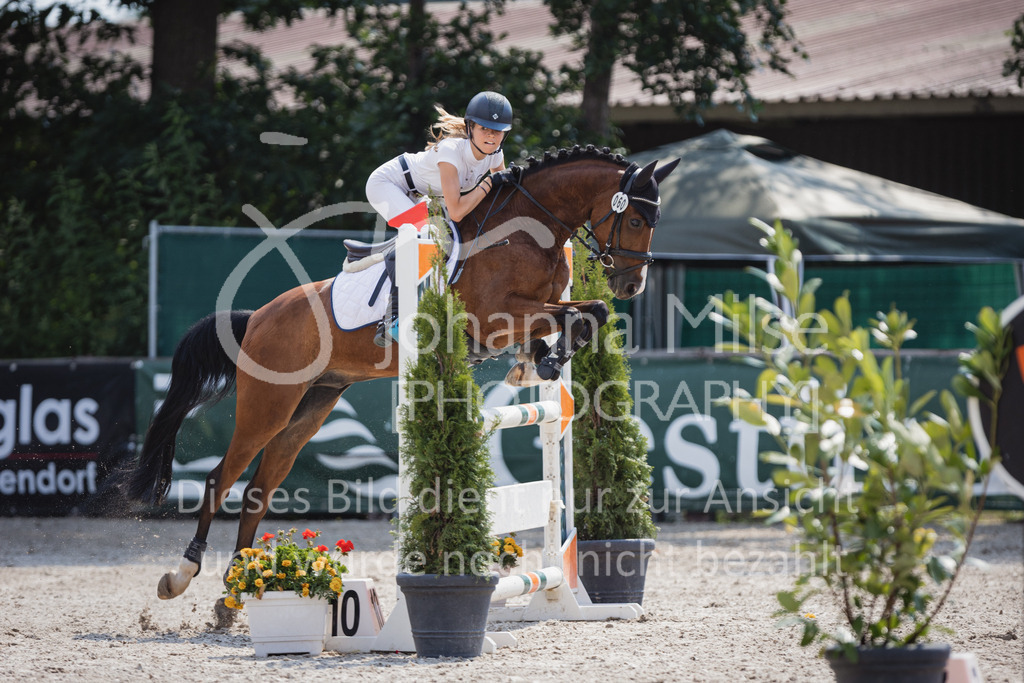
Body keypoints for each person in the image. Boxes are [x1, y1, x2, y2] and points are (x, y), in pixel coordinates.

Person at [365, 90, 514, 347]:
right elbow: (457, 210)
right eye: (484, 128)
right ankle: (392, 318)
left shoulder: (495, 154)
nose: (491, 135)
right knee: (423, 235)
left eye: (497, 130)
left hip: (424, 196)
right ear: (470, 128)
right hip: (388, 184)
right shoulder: (451, 151)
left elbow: (503, 195)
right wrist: (489, 183)